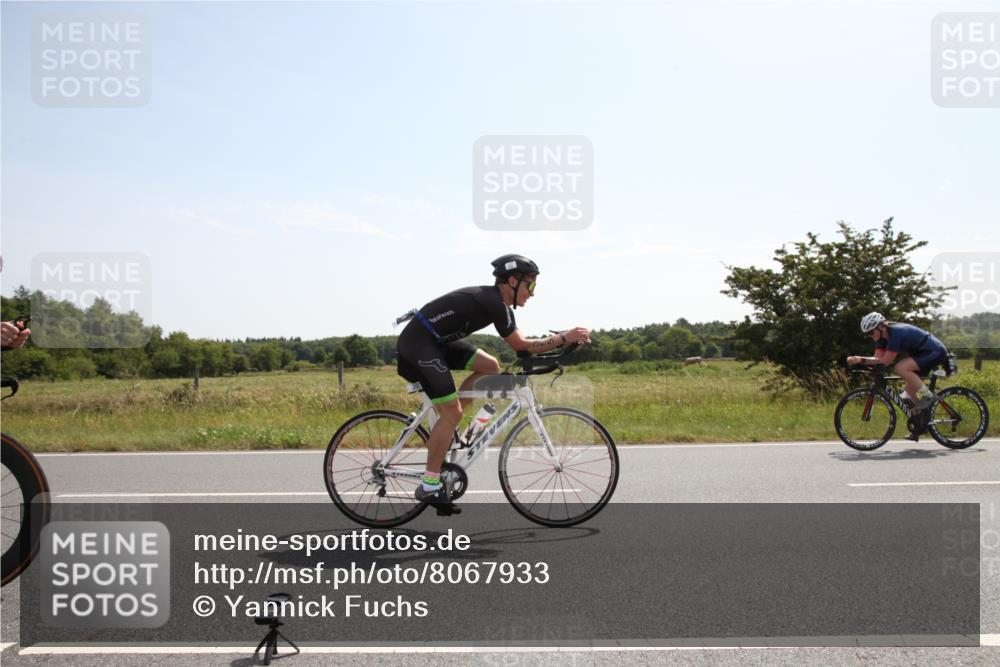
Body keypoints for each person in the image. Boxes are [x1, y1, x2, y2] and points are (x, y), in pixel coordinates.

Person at [395, 254, 590, 515]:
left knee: (491, 367)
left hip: (436, 342)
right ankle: (430, 485)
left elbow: (524, 350)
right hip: (418, 343)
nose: (532, 293)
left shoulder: (500, 305)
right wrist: (564, 336)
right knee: (453, 411)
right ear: (512, 280)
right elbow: (521, 345)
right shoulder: (492, 301)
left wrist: (563, 344)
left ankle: (450, 429)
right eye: (530, 285)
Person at [847, 311, 948, 412]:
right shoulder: (881, 338)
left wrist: (859, 359)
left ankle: (928, 396)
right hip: (921, 354)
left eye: (871, 332)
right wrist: (860, 361)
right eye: (867, 334)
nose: (870, 336)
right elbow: (876, 359)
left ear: (881, 326)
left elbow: (886, 361)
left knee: (900, 368)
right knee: (907, 395)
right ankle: (923, 420)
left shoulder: (896, 333)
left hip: (935, 351)